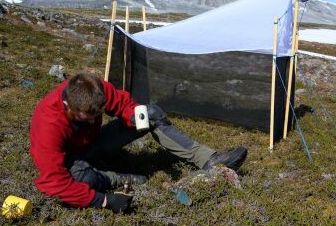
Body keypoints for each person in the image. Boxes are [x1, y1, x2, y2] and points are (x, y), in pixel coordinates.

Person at [29, 72, 247, 213]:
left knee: (150, 113)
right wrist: (104, 201)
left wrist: (133, 116)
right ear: (69, 105)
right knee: (82, 178)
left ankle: (210, 159)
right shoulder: (48, 123)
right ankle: (114, 178)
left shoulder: (95, 89)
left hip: (95, 143)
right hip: (74, 159)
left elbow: (122, 103)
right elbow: (53, 182)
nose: (95, 120)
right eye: (87, 117)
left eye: (99, 114)